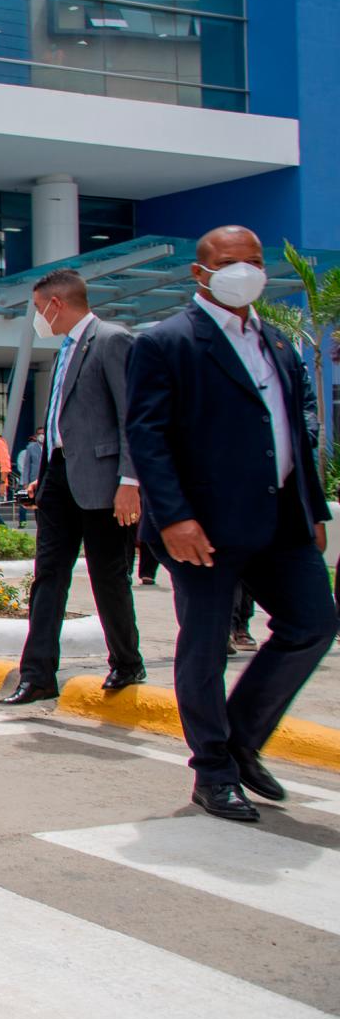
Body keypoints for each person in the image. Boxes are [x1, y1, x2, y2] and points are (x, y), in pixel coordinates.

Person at [126, 225, 336, 823]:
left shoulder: (277, 341)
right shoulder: (166, 341)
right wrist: (175, 518)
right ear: (200, 273)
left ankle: (240, 741)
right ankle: (213, 772)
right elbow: (147, 436)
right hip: (203, 527)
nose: (243, 271)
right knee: (206, 646)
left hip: (282, 519)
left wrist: (313, 510)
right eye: (227, 262)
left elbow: (293, 430)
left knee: (313, 624)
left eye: (253, 261)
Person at [2, 269, 146, 705]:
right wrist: (45, 474)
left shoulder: (112, 340)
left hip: (104, 482)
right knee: (48, 575)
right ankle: (38, 674)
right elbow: (62, 423)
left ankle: (127, 661)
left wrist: (130, 481)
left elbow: (132, 417)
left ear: (56, 304)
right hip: (59, 478)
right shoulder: (65, 348)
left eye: (37, 307)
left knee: (108, 576)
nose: (36, 317)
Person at [15, 429, 44, 526]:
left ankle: (42, 523)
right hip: (33, 480)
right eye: (39, 434)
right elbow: (26, 466)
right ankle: (23, 522)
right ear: (36, 435)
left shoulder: (49, 446)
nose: (42, 435)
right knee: (29, 501)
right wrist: (25, 481)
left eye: (43, 433)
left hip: (45, 479)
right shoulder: (31, 448)